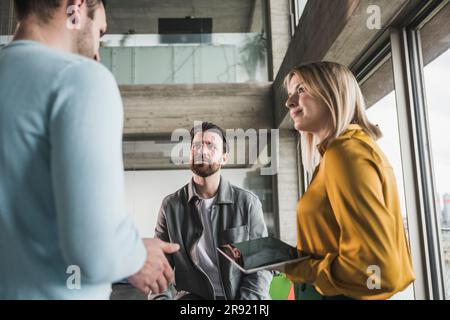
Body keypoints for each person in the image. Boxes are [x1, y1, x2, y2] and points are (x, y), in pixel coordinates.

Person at [0, 0, 178, 299]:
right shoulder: (79, 78)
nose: (96, 53)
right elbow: (97, 252)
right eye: (100, 32)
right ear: (75, 8)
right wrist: (138, 255)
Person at [281, 61, 415, 300]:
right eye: (291, 94)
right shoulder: (342, 152)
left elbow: (378, 272)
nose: (289, 102)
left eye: (301, 90)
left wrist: (296, 269)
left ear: (333, 92)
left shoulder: (344, 154)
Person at [152, 122, 272, 300]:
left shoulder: (247, 203)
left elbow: (261, 267)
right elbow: (159, 268)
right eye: (197, 145)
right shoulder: (170, 206)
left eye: (211, 145)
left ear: (224, 158)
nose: (202, 151)